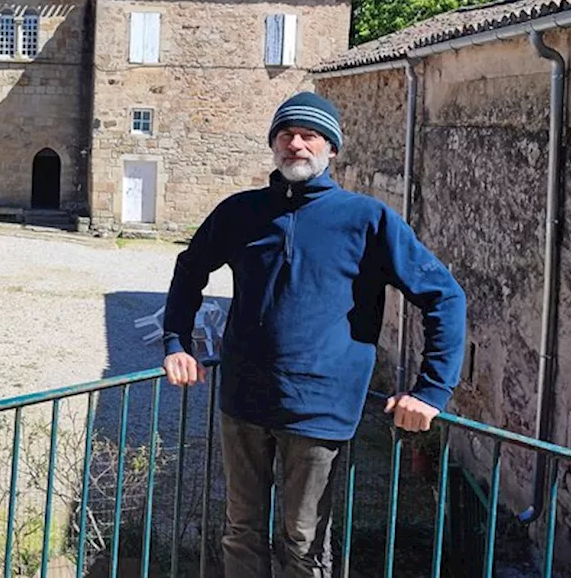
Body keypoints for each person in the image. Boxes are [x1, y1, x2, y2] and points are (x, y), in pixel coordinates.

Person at [159, 91, 466, 577]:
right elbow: (190, 268)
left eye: (309, 135)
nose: (296, 144)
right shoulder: (241, 212)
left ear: (331, 149)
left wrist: (431, 391)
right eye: (286, 134)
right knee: (240, 530)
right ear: (274, 145)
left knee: (302, 542)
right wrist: (176, 342)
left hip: (320, 408)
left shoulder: (368, 220)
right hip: (243, 400)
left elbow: (444, 296)